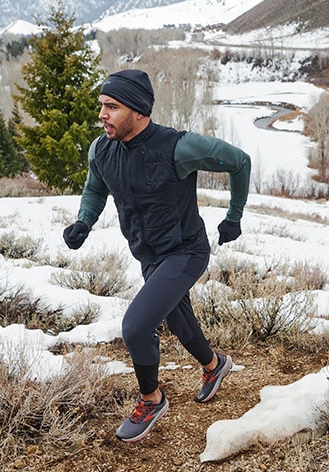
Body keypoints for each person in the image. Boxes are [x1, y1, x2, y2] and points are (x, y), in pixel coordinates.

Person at [63, 69, 251, 443]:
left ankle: (152, 397)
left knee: (135, 326)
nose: (102, 114)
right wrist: (84, 221)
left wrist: (233, 217)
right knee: (178, 318)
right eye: (102, 105)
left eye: (112, 106)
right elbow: (95, 189)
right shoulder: (101, 149)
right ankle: (214, 366)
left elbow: (240, 161)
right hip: (147, 255)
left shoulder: (177, 147)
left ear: (138, 110)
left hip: (185, 250)